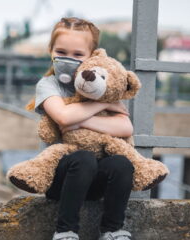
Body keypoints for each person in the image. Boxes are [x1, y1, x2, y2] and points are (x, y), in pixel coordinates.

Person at [26, 17, 134, 240]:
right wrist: (104, 103)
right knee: (82, 158)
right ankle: (65, 230)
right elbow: (63, 117)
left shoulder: (102, 84)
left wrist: (83, 117)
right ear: (51, 51)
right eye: (61, 52)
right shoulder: (49, 85)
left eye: (77, 54)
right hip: (61, 178)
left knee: (121, 164)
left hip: (96, 180)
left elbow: (125, 126)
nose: (68, 59)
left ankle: (112, 230)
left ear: (92, 56)